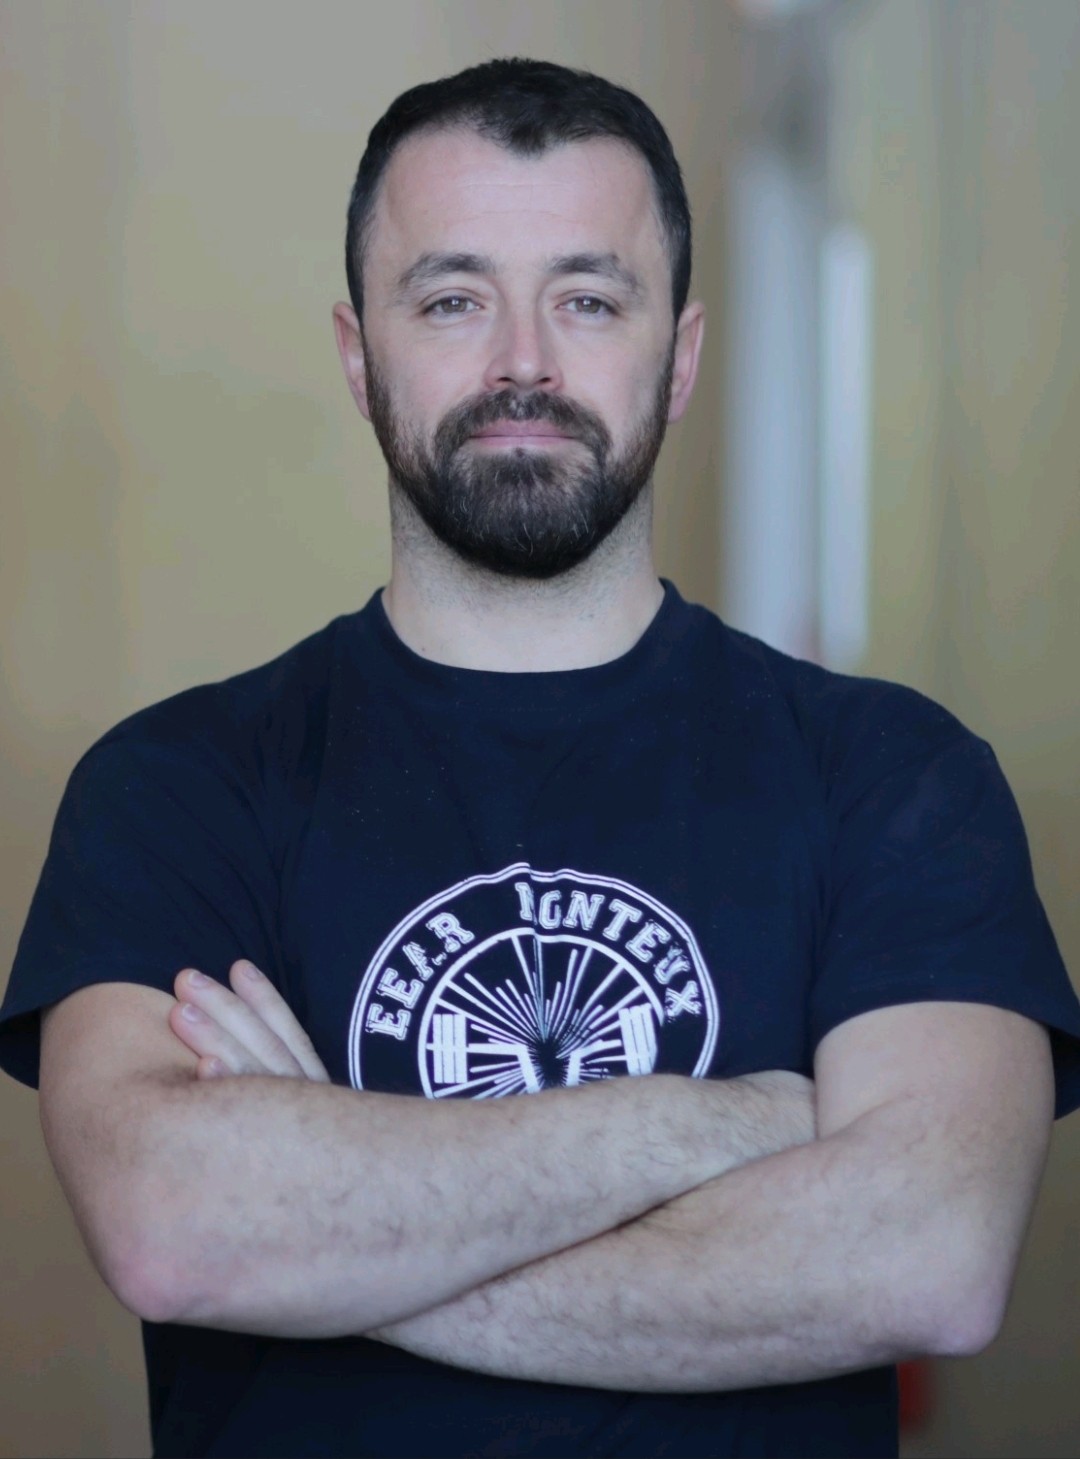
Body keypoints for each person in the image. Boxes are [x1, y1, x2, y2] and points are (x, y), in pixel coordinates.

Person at [1, 57, 1078, 1459]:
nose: (523, 362)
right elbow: (177, 1232)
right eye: (453, 300)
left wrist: (334, 1223)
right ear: (358, 354)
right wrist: (700, 1129)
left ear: (680, 356)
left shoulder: (894, 776)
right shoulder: (177, 787)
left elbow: (926, 1260)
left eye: (589, 299)